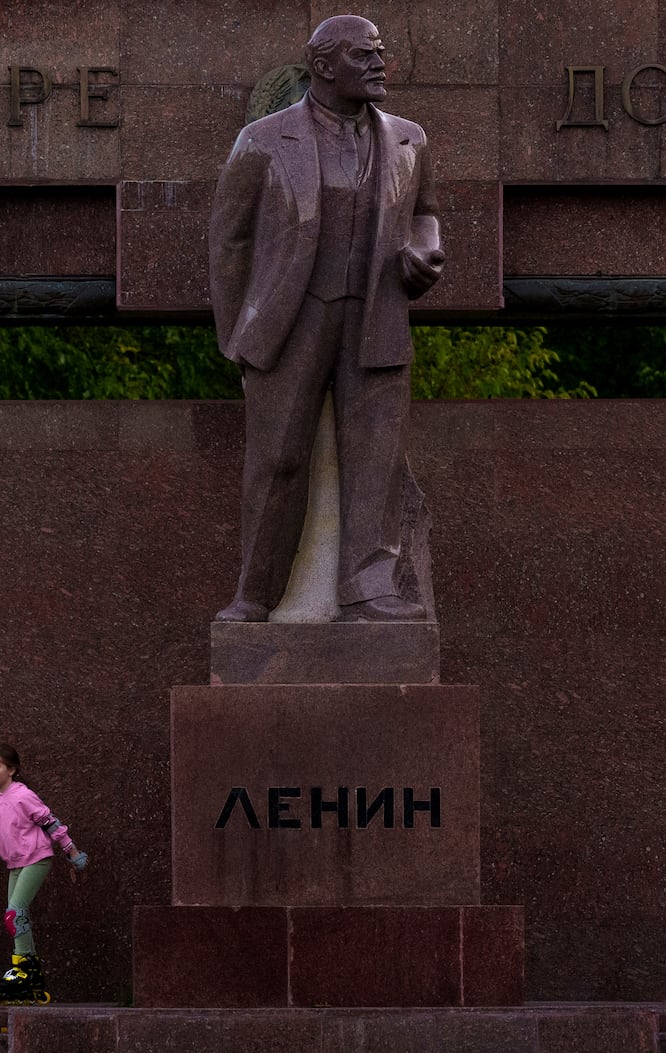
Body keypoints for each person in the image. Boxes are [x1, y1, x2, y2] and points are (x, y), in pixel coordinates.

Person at [209, 14, 444, 624]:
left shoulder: (408, 140)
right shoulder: (262, 141)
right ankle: (254, 593)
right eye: (365, 54)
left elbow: (426, 213)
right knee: (278, 459)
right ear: (323, 66)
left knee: (376, 458)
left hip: (376, 314)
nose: (378, 63)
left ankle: (370, 588)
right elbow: (229, 243)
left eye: (381, 53)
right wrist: (238, 336)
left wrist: (423, 251)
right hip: (291, 321)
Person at [0, 743, 89, 1005]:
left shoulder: (23, 796)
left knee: (15, 913)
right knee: (13, 918)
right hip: (15, 864)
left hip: (37, 859)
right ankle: (28, 969)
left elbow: (51, 824)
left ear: (11, 770)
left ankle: (24, 970)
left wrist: (72, 851)